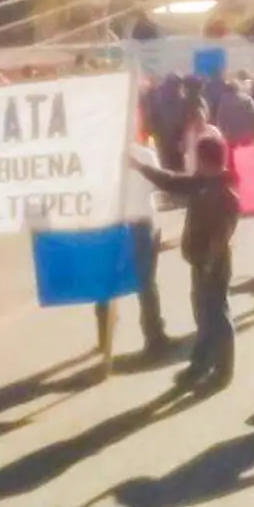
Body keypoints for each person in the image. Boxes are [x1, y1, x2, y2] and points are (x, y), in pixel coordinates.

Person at [129, 137, 240, 390]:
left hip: (213, 265)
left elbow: (221, 236)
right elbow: (169, 181)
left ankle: (223, 370)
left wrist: (210, 264)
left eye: (197, 157)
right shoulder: (201, 183)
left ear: (205, 160)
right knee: (203, 314)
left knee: (217, 316)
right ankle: (200, 365)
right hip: (201, 262)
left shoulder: (226, 194)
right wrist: (139, 166)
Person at [95, 142, 169, 357]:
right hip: (138, 224)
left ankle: (105, 336)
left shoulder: (100, 155)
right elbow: (159, 184)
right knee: (146, 284)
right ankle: (154, 335)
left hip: (114, 224)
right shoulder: (145, 155)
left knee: (106, 283)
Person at [215, 79, 254, 147]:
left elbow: (220, 118)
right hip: (246, 134)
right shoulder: (247, 99)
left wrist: (224, 131)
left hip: (231, 135)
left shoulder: (224, 100)